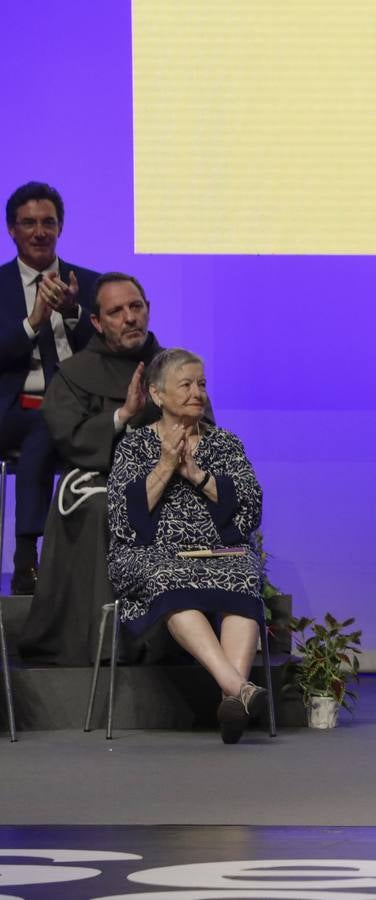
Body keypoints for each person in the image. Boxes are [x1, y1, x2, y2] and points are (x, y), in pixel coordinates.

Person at [106, 348, 266, 743]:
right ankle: (238, 688)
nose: (198, 392)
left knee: (244, 574)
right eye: (187, 384)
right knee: (168, 576)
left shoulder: (226, 444)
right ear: (157, 395)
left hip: (217, 553)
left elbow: (250, 509)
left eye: (202, 384)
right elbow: (124, 521)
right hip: (151, 556)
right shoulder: (135, 446)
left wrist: (196, 474)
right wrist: (164, 466)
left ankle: (233, 698)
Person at [19, 272, 176, 665]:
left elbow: (203, 426)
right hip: (95, 479)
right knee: (107, 509)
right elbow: (69, 437)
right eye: (116, 311)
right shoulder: (74, 374)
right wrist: (125, 414)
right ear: (97, 321)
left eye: (136, 307)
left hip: (169, 476)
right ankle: (108, 641)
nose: (129, 318)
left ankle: (175, 641)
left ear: (148, 311)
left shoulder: (174, 369)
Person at [1, 181, 98, 594]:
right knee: (46, 425)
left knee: (55, 427)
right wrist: (33, 322)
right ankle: (28, 557)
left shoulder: (90, 284)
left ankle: (45, 559)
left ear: (60, 228)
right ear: (11, 230)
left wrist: (74, 313)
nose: (39, 232)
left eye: (48, 223)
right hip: (10, 414)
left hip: (74, 413)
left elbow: (108, 356)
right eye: (29, 223)